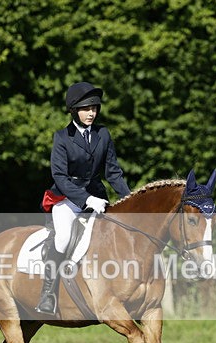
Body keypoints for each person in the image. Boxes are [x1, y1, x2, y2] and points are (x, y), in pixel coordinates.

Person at [35, 81, 131, 314]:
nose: (91, 113)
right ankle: (48, 293)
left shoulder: (103, 134)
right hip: (67, 199)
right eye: (86, 109)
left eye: (94, 108)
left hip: (98, 198)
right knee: (63, 238)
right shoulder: (62, 137)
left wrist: (129, 199)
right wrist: (86, 199)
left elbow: (113, 172)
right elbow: (60, 177)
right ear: (73, 110)